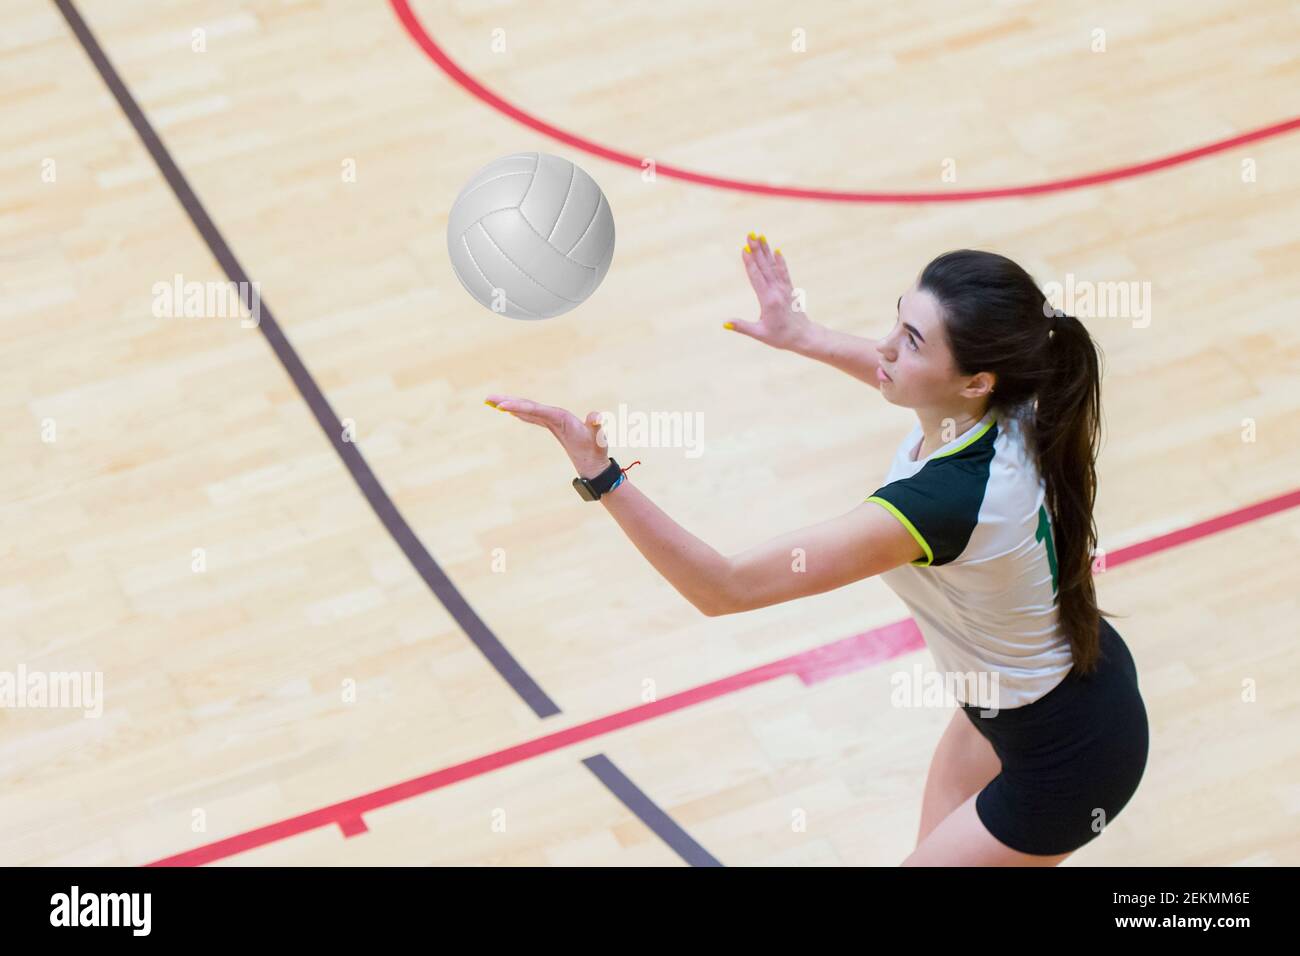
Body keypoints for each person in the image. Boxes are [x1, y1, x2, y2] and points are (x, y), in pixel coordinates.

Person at [485, 234, 1148, 866]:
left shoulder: (944, 504)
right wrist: (803, 335)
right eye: (897, 321)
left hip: (1069, 752)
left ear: (978, 380)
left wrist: (602, 476)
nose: (885, 346)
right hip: (1037, 694)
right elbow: (907, 377)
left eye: (911, 340)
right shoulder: (1016, 400)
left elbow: (723, 588)